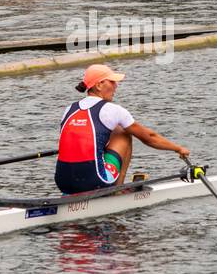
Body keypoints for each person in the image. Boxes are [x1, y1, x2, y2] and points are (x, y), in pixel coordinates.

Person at [55, 65, 191, 194]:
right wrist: (178, 148)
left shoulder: (69, 109)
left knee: (104, 136)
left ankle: (71, 192)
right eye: (112, 82)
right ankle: (117, 190)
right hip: (95, 181)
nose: (116, 86)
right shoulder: (113, 110)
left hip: (63, 182)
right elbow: (149, 137)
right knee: (124, 132)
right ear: (99, 85)